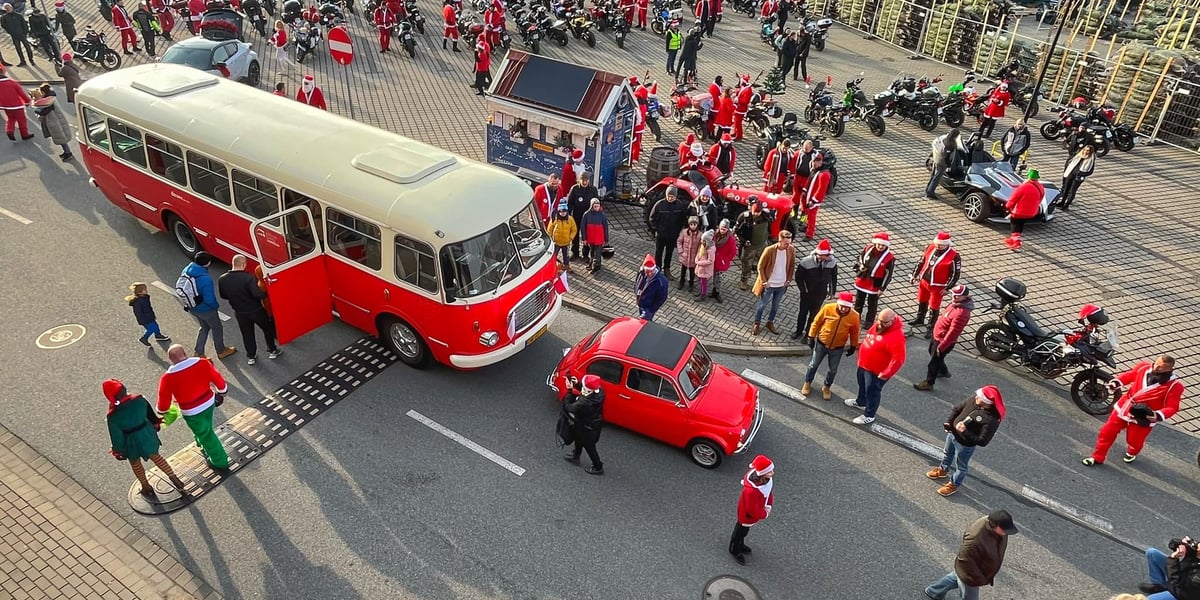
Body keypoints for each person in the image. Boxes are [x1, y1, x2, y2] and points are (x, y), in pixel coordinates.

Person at [1083, 355, 1184, 467]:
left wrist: (1158, 415)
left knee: (1134, 441)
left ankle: (1133, 451)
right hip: (1123, 407)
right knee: (1106, 432)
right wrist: (1116, 383)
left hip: (1143, 416)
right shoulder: (1143, 367)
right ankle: (1097, 456)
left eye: (1161, 367)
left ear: (1169, 369)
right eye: (1156, 363)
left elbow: (1172, 407)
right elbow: (1129, 376)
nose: (1156, 367)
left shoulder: (1175, 386)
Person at [103, 379, 187, 497]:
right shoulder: (139, 399)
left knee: (135, 463)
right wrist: (156, 424)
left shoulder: (112, 415)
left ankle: (145, 486)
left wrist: (118, 451)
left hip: (130, 441)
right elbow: (151, 415)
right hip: (146, 433)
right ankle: (174, 478)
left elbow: (116, 436)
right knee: (157, 457)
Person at [156, 345, 231, 470]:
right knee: (205, 426)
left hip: (191, 411)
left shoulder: (167, 378)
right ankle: (200, 440)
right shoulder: (203, 363)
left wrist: (162, 411)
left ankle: (220, 461)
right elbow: (217, 378)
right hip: (209, 402)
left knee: (207, 435)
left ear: (171, 359)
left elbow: (163, 401)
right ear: (185, 353)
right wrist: (222, 391)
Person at [927, 385, 1005, 497]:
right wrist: (949, 422)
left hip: (965, 445)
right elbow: (957, 409)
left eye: (979, 397)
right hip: (952, 435)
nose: (976, 398)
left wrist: (964, 432)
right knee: (947, 454)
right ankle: (943, 469)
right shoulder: (974, 400)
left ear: (986, 402)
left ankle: (954, 484)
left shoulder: (991, 420)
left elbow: (983, 441)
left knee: (961, 466)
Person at [924, 511, 1016, 599]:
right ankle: (934, 591)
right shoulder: (975, 539)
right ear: (995, 525)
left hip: (973, 570)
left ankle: (933, 591)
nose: (1006, 533)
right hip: (971, 576)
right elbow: (965, 560)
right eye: (1004, 530)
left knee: (956, 577)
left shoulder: (995, 527)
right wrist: (977, 579)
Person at [844, 308, 905, 425]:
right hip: (864, 364)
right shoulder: (879, 326)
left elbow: (898, 360)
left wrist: (886, 373)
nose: (880, 323)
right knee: (862, 384)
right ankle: (861, 401)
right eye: (879, 320)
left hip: (877, 371)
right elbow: (869, 338)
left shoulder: (896, 337)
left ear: (892, 321)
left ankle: (869, 414)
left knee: (872, 392)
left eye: (884, 322)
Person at [218, 255, 280, 366]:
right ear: (243, 265)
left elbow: (223, 296)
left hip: (240, 312)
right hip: (256, 310)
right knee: (267, 329)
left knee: (247, 334)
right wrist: (266, 293)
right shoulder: (248, 278)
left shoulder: (222, 279)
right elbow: (257, 295)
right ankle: (272, 350)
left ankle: (251, 356)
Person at [801, 291, 859, 401]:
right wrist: (811, 336)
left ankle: (827, 387)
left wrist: (853, 345)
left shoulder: (854, 316)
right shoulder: (828, 308)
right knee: (813, 365)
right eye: (842, 306)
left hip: (838, 347)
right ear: (838, 303)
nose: (843, 309)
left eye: (846, 307)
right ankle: (807, 382)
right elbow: (816, 322)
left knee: (833, 370)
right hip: (822, 343)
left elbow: (854, 332)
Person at [914, 284, 972, 391]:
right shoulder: (956, 304)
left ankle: (929, 382)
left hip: (942, 341)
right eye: (953, 294)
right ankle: (944, 371)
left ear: (965, 296)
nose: (954, 297)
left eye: (958, 296)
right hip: (937, 335)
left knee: (933, 363)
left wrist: (942, 346)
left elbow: (953, 333)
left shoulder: (961, 313)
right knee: (932, 353)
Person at [182, 252, 237, 360]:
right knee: (217, 328)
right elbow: (209, 299)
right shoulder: (205, 279)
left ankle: (199, 352)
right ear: (207, 263)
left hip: (192, 306)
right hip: (206, 309)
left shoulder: (186, 270)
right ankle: (221, 351)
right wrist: (215, 306)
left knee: (204, 327)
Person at [908, 231, 961, 333]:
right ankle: (920, 318)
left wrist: (947, 288)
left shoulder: (954, 256)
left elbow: (955, 274)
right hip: (924, 281)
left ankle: (931, 326)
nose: (939, 246)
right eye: (937, 244)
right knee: (922, 300)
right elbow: (921, 261)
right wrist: (914, 275)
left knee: (934, 306)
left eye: (942, 245)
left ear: (947, 244)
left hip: (938, 286)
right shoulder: (930, 247)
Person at [729, 454, 774, 565]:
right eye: (770, 472)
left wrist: (768, 505)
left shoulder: (765, 480)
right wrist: (765, 513)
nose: (772, 473)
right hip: (747, 515)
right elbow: (751, 509)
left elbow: (768, 493)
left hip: (752, 514)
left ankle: (740, 545)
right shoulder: (751, 491)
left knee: (743, 532)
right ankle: (734, 549)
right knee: (740, 532)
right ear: (762, 474)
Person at [792, 238, 837, 341]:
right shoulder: (806, 262)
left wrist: (832, 292)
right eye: (827, 255)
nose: (829, 257)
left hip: (820, 294)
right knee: (802, 313)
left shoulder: (832, 262)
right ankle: (798, 331)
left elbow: (833, 277)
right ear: (820, 254)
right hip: (807, 293)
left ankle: (808, 334)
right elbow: (799, 277)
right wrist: (803, 290)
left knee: (814, 316)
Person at [751, 231, 795, 335]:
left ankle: (770, 322)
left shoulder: (791, 250)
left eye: (789, 242)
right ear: (780, 241)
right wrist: (764, 281)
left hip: (781, 285)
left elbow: (792, 265)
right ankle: (757, 323)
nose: (788, 245)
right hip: (769, 284)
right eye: (786, 243)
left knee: (775, 306)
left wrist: (788, 279)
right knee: (762, 305)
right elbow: (760, 266)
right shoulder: (769, 250)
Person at [563, 374, 605, 475]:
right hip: (592, 425)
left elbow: (568, 407)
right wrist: (577, 384)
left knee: (589, 447)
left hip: (586, 428)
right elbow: (585, 392)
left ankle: (598, 466)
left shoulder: (583, 403)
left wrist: (569, 390)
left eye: (583, 387)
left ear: (588, 391)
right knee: (579, 439)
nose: (582, 389)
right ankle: (576, 455)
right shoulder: (600, 392)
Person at [853, 232, 895, 327]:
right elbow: (860, 257)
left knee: (872, 304)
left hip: (875, 283)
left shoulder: (889, 258)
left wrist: (882, 288)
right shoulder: (868, 248)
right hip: (863, 279)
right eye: (879, 244)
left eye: (883, 245)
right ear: (875, 243)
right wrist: (861, 266)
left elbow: (888, 274)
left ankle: (869, 321)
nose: (880, 247)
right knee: (859, 300)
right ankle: (855, 317)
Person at [736, 198, 773, 290]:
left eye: (758, 212)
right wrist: (743, 241)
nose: (756, 214)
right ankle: (744, 280)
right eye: (754, 212)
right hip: (750, 247)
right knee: (746, 264)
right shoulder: (745, 217)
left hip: (762, 245)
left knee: (763, 263)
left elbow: (771, 224)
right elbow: (737, 230)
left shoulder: (766, 215)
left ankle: (760, 280)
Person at [1003, 169, 1043, 251]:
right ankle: (1013, 238)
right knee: (1021, 224)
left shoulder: (1023, 187)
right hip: (1031, 211)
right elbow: (1041, 198)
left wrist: (1007, 206)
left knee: (1015, 224)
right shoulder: (1040, 187)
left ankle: (1016, 241)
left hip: (1019, 211)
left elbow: (1013, 198)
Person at [30, 85, 73, 161]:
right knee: (61, 138)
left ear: (43, 92)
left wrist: (38, 112)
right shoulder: (49, 99)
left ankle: (68, 153)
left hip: (55, 123)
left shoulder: (47, 103)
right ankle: (66, 152)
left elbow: (43, 113)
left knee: (61, 139)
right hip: (57, 121)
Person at [126, 282, 172, 346]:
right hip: (145, 319)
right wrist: (143, 320)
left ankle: (158, 335)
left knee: (156, 326)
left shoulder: (144, 297)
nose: (146, 290)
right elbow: (138, 313)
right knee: (151, 329)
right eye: (144, 290)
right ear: (139, 292)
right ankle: (144, 338)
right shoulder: (138, 302)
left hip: (149, 316)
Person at [568, 171, 599, 260]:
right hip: (576, 216)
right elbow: (570, 203)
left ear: (589, 180)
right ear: (579, 180)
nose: (585, 182)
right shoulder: (574, 189)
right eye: (583, 180)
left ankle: (585, 255)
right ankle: (575, 253)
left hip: (588, 218)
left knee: (587, 236)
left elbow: (596, 203)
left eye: (586, 180)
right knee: (575, 234)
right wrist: (569, 215)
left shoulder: (593, 189)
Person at [799, 151, 830, 240]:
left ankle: (810, 234)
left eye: (815, 162)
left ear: (820, 162)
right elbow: (809, 180)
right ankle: (806, 226)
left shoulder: (824, 174)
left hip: (813, 200)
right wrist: (804, 191)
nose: (813, 164)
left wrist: (813, 201)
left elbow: (821, 190)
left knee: (811, 216)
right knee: (806, 213)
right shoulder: (815, 170)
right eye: (812, 162)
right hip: (808, 196)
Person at [926, 128, 961, 198]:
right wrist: (949, 165)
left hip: (936, 158)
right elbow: (947, 157)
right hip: (941, 162)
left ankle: (927, 189)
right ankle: (930, 192)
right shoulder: (951, 144)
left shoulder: (944, 137)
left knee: (933, 175)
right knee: (937, 177)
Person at [1058, 144, 1094, 211]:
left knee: (1072, 191)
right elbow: (1069, 162)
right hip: (1070, 174)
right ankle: (1062, 202)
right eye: (1085, 150)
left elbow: (1090, 171)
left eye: (1088, 151)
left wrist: (1081, 173)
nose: (1086, 152)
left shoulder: (1090, 160)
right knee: (1066, 189)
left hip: (1078, 178)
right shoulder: (1078, 155)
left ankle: (1067, 205)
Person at [0, 65, 31, 140]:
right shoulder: (12, 83)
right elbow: (21, 93)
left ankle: (9, 130)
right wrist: (27, 101)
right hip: (17, 105)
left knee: (11, 119)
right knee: (22, 120)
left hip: (6, 106)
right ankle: (24, 135)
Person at [578, 197, 608, 273]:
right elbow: (583, 227)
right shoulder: (586, 214)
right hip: (590, 238)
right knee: (592, 252)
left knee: (597, 254)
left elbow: (606, 228)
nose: (597, 208)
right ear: (591, 206)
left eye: (598, 206)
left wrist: (606, 239)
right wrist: (584, 238)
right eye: (595, 206)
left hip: (599, 239)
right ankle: (591, 264)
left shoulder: (602, 215)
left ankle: (596, 267)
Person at [635, 254, 669, 320]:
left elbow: (662, 298)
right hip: (641, 303)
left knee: (644, 321)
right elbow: (637, 283)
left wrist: (651, 310)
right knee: (645, 322)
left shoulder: (661, 281)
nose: (649, 274)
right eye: (647, 272)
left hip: (648, 308)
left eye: (651, 271)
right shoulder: (641, 273)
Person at [547, 202, 577, 273]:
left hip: (566, 242)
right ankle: (553, 267)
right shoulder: (555, 219)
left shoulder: (570, 219)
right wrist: (551, 239)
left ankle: (566, 266)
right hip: (556, 242)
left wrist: (570, 238)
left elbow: (574, 230)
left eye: (564, 211)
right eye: (561, 211)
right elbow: (549, 230)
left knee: (566, 256)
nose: (563, 213)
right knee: (554, 255)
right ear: (558, 211)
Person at [676, 215, 702, 292]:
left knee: (692, 272)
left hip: (694, 257)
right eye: (691, 224)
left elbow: (701, 246)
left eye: (695, 224)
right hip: (685, 256)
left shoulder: (700, 234)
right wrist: (681, 251)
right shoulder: (684, 232)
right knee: (683, 270)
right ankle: (681, 282)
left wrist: (698, 255)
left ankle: (691, 284)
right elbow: (679, 241)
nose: (693, 226)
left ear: (697, 225)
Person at [694, 228, 715, 301]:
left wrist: (699, 263)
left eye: (703, 240)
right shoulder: (703, 245)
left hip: (705, 269)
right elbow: (699, 253)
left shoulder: (711, 249)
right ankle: (701, 292)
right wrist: (696, 259)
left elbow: (710, 261)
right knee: (701, 281)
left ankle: (703, 295)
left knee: (704, 282)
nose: (701, 241)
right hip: (701, 268)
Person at [733, 74, 752, 140]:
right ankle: (735, 132)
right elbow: (739, 91)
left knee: (738, 122)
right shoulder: (743, 87)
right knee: (735, 121)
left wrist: (738, 100)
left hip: (741, 109)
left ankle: (739, 136)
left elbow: (745, 101)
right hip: (737, 107)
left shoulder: (748, 90)